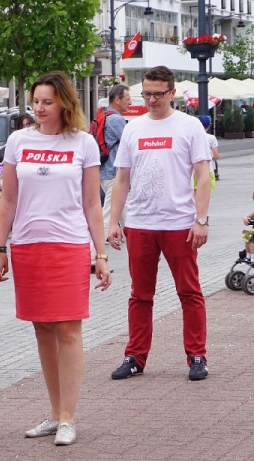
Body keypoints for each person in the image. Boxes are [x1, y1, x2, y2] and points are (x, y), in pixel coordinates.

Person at [0, 71, 112, 446]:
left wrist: (100, 253)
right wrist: (0, 247)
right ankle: (56, 412)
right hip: (28, 245)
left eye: (47, 102)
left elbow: (92, 203)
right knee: (42, 329)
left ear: (64, 102)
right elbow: (7, 198)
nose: (40, 108)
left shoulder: (83, 143)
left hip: (69, 244)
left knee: (68, 330)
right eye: (36, 102)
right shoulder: (18, 141)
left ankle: (69, 418)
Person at [108, 66, 212, 382]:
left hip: (179, 224)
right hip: (140, 223)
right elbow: (122, 178)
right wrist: (114, 221)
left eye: (158, 94)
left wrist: (201, 220)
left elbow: (203, 175)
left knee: (189, 292)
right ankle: (135, 357)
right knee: (140, 295)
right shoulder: (133, 128)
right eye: (147, 94)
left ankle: (197, 356)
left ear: (172, 92)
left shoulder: (189, 126)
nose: (152, 100)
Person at [100, 84, 131, 239]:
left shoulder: (105, 116)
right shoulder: (116, 119)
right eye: (127, 99)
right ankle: (95, 248)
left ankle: (132, 237)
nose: (129, 103)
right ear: (117, 99)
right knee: (109, 212)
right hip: (113, 172)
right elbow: (130, 143)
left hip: (104, 171)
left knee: (123, 208)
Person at [198, 115, 220, 181]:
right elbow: (216, 156)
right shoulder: (211, 138)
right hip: (209, 169)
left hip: (195, 171)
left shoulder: (191, 137)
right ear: (209, 126)